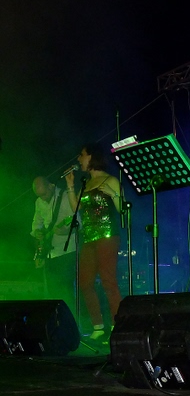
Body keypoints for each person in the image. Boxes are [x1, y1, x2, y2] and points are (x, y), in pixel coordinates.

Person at [64, 142, 123, 343]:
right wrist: (70, 186)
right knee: (85, 282)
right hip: (88, 237)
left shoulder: (110, 179)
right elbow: (76, 209)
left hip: (107, 235)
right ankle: (98, 326)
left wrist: (114, 194)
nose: (79, 159)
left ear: (91, 157)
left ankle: (117, 326)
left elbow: (123, 209)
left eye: (81, 155)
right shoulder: (86, 184)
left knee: (108, 281)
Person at [31, 176, 77, 312]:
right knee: (52, 291)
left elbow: (77, 223)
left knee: (67, 290)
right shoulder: (39, 202)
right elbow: (36, 224)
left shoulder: (66, 197)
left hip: (67, 250)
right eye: (40, 196)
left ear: (51, 186)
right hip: (49, 253)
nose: (43, 198)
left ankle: (72, 319)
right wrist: (38, 232)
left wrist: (64, 231)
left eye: (44, 194)